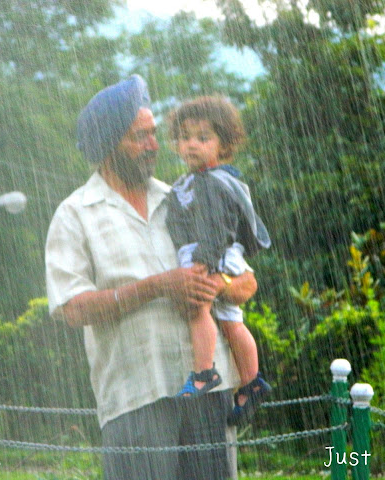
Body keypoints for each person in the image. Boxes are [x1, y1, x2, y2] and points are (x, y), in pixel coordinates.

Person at [45, 75, 257, 480]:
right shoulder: (75, 214)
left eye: (154, 133)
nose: (154, 145)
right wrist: (157, 287)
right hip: (135, 398)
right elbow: (72, 309)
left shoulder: (185, 196)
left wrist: (218, 286)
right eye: (140, 137)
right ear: (109, 147)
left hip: (208, 395)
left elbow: (247, 283)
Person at [166, 96, 272, 425]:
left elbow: (216, 228)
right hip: (221, 257)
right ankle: (251, 381)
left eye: (203, 137)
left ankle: (203, 372)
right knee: (231, 322)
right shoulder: (201, 180)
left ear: (223, 145)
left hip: (214, 257)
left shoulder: (212, 182)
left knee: (199, 308)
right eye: (184, 137)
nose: (191, 144)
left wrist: (203, 263)